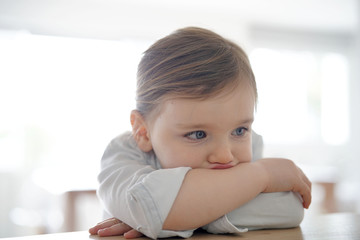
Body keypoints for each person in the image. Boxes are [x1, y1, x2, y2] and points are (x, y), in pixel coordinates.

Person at [89, 27, 312, 239]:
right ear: (143, 131)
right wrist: (263, 175)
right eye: (198, 134)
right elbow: (149, 208)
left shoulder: (249, 145)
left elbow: (289, 209)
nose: (225, 155)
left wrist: (167, 217)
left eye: (239, 130)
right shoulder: (122, 154)